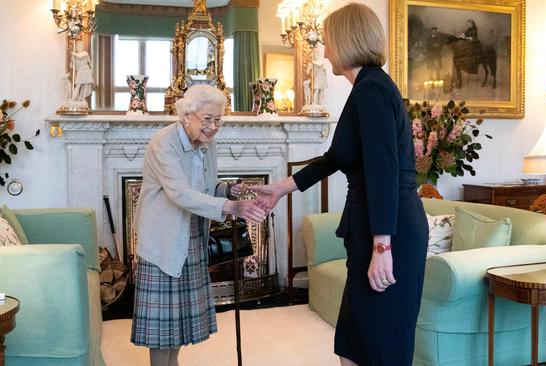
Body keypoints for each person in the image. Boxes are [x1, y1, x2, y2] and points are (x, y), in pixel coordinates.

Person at [252, 3, 428, 365]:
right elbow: (336, 157)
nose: (325, 48)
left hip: (388, 231)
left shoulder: (371, 90)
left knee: (379, 346)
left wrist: (382, 247)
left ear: (348, 41)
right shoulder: (365, 87)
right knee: (354, 343)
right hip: (374, 227)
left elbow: (383, 171)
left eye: (328, 41)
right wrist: (279, 189)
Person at [130, 84, 266, 366]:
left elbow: (203, 187)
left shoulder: (207, 143)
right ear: (187, 115)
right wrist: (230, 208)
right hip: (163, 239)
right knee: (162, 329)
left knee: (178, 322)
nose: (213, 126)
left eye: (218, 120)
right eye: (207, 119)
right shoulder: (163, 143)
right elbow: (179, 193)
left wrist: (227, 190)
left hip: (191, 236)